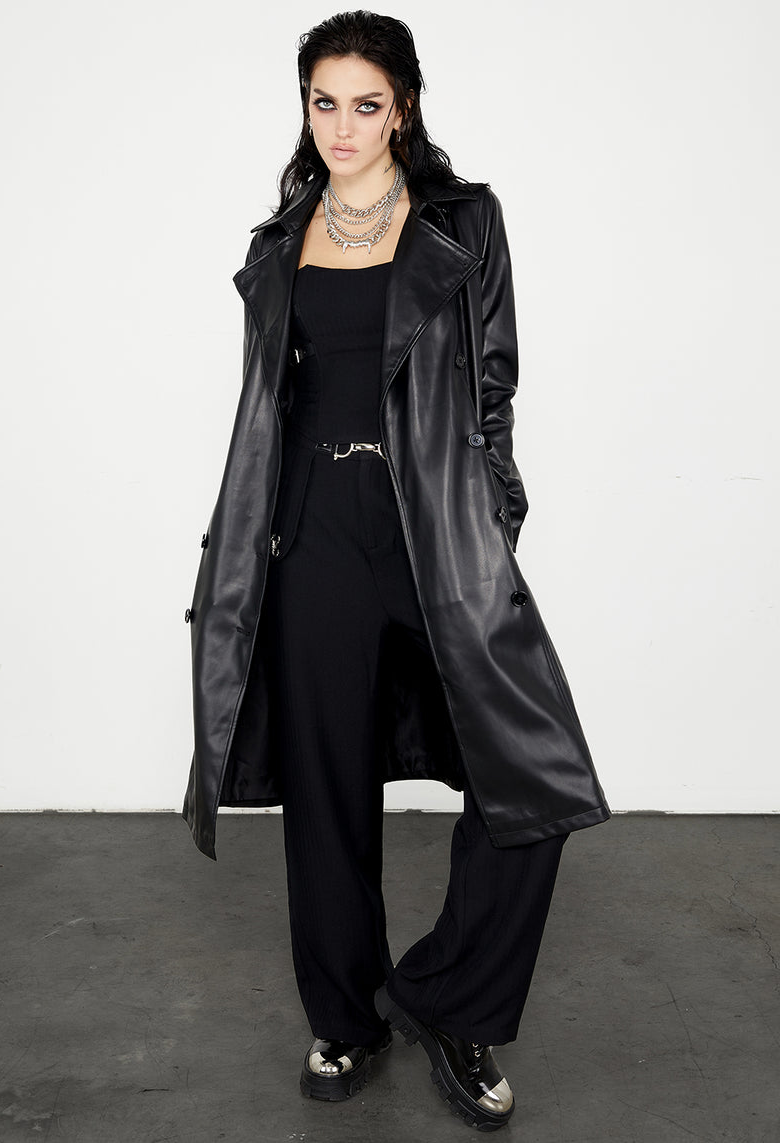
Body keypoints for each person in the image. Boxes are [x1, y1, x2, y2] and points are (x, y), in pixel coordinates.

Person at [181, 9, 610, 1132]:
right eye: (323, 102)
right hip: (311, 536)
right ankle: (344, 1017)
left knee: (533, 782)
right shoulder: (281, 241)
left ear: (403, 107)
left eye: (364, 104)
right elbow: (269, 411)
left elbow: (493, 389)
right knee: (327, 795)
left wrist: (492, 520)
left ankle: (447, 1001)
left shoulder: (463, 221)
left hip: (434, 533)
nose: (342, 126)